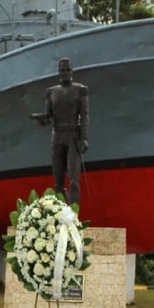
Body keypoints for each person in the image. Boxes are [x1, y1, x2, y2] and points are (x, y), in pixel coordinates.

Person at [31, 57, 89, 205]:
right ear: (58, 72)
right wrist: (40, 118)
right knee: (58, 182)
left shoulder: (80, 90)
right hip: (56, 136)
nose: (65, 73)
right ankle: (61, 214)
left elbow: (84, 115)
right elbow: (49, 116)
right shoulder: (51, 92)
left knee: (74, 179)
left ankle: (74, 217)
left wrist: (84, 138)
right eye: (62, 70)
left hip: (73, 136)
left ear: (72, 70)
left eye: (68, 70)